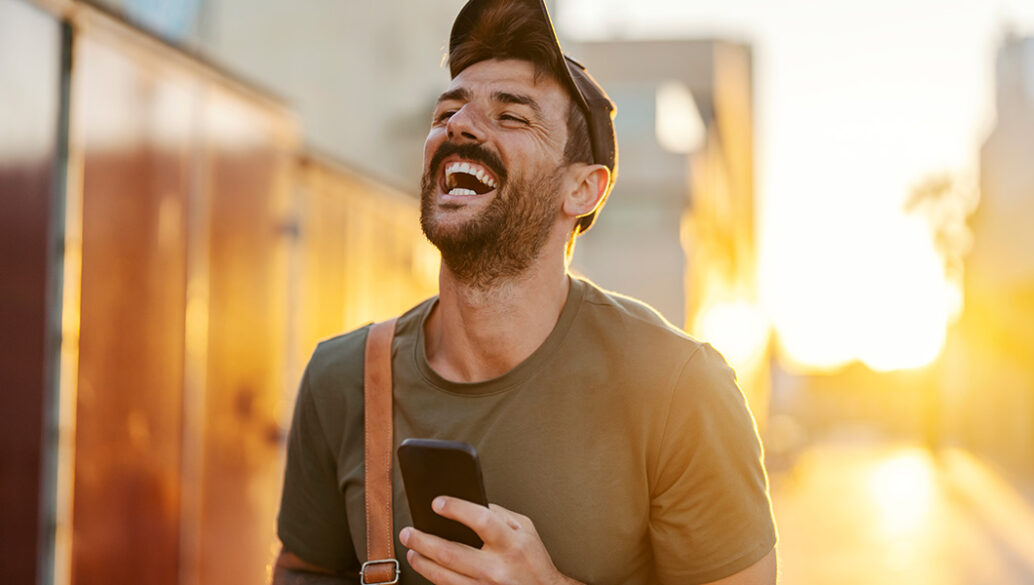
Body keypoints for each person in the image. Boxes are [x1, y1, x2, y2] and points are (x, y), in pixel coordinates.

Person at [272, 1, 777, 584]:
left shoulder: (681, 388)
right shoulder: (343, 380)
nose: (459, 125)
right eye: (448, 111)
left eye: (511, 117)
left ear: (583, 189)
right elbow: (302, 571)